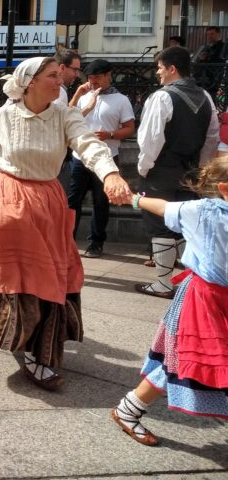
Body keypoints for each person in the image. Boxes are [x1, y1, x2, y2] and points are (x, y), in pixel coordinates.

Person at [0, 57, 132, 390]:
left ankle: (31, 343)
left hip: (47, 201)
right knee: (14, 272)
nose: (61, 80)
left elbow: (89, 146)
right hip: (7, 197)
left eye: (61, 75)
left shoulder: (65, 115)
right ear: (29, 82)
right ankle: (21, 342)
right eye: (52, 75)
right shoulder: (2, 116)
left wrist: (111, 173)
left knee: (48, 276)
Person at [111, 158, 228, 446]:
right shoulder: (203, 211)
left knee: (182, 361)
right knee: (180, 361)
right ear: (225, 188)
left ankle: (128, 409)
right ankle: (128, 409)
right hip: (203, 300)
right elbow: (163, 207)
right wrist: (135, 200)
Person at [135, 46, 220, 298]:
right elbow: (211, 139)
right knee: (183, 223)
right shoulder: (205, 96)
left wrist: (144, 169)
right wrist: (200, 168)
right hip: (191, 171)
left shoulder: (162, 97)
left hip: (161, 170)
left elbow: (151, 139)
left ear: (172, 68)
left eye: (160, 67)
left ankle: (163, 283)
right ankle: (186, 283)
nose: (158, 73)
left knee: (160, 225)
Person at [67, 59, 136, 258]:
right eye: (90, 78)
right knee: (73, 201)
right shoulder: (83, 95)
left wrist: (111, 135)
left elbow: (130, 128)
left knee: (101, 201)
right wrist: (79, 94)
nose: (93, 82)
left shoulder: (121, 100)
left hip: (106, 158)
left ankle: (96, 242)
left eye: (97, 77)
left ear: (108, 76)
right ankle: (67, 240)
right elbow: (67, 117)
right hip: (80, 156)